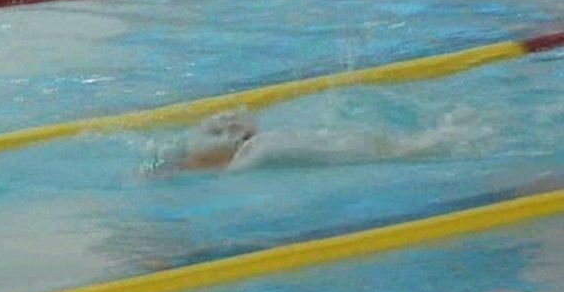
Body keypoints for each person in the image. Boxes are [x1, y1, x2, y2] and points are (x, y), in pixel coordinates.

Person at [142, 106, 489, 176]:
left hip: (393, 148)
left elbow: (354, 150)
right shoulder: (242, 158)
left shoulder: (258, 151)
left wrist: (427, 145)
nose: (211, 127)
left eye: (219, 130)